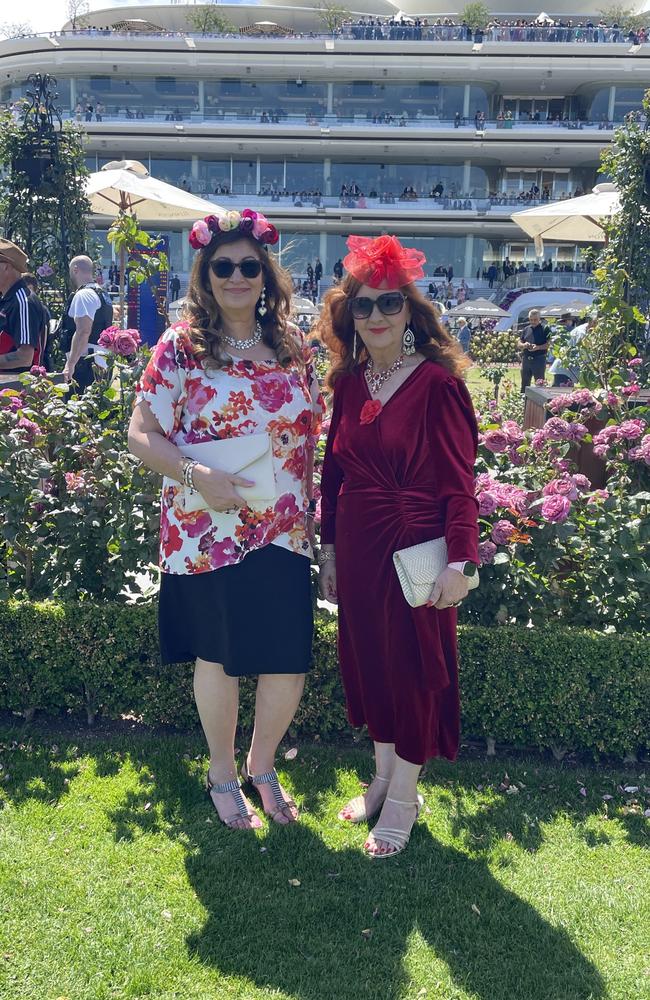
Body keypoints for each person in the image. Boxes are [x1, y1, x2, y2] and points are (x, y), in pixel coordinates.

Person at [128, 209, 324, 832]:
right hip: (206, 528)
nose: (236, 277)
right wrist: (196, 476)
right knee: (217, 656)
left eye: (249, 266)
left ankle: (261, 767)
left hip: (285, 526)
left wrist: (319, 525)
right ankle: (220, 772)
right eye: (223, 267)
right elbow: (140, 435)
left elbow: (313, 439)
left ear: (266, 274)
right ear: (205, 276)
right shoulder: (180, 347)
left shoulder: (295, 347)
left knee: (286, 659)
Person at [316, 235, 479, 858]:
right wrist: (329, 551)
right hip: (357, 547)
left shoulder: (438, 385)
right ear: (348, 316)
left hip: (415, 547)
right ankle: (383, 776)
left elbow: (460, 482)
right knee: (369, 662)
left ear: (409, 312)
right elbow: (332, 475)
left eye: (389, 304)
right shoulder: (350, 383)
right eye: (363, 307)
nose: (377, 316)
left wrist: (461, 561)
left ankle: (405, 795)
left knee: (412, 668)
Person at [59, 255, 114, 392]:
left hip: (85, 364)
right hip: (100, 362)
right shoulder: (102, 294)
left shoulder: (83, 295)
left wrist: (70, 364)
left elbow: (83, 331)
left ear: (75, 269)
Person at [0, 239, 44, 373]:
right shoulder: (8, 299)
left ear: (6, 266)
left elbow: (25, 357)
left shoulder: (23, 301)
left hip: (17, 389)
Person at [518, 308, 549, 393]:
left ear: (539, 319)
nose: (533, 321)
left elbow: (549, 344)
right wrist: (524, 345)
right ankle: (523, 402)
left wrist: (538, 347)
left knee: (540, 384)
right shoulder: (526, 329)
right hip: (526, 359)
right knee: (524, 384)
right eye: (531, 320)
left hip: (539, 359)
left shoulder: (545, 329)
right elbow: (519, 343)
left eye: (535, 320)